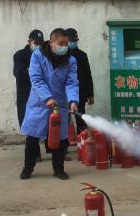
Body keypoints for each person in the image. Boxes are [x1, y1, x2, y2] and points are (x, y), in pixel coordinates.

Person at [20, 28, 79, 180]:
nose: (64, 47)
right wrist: (47, 98)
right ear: (51, 42)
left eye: (66, 44)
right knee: (32, 137)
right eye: (61, 43)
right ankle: (28, 167)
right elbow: (36, 79)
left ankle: (58, 169)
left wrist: (73, 100)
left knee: (59, 139)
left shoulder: (70, 60)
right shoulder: (38, 55)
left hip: (59, 103)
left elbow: (72, 82)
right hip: (39, 103)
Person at [13, 30, 44, 161]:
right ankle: (35, 154)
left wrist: (29, 70)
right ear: (29, 42)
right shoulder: (19, 55)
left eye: (40, 43)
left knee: (47, 122)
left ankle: (55, 151)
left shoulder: (45, 55)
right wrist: (35, 72)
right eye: (36, 42)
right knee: (31, 126)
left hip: (41, 95)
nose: (38, 45)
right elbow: (19, 74)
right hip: (25, 96)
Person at [66, 28, 94, 134]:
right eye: (70, 41)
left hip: (80, 94)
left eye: (75, 41)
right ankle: (64, 144)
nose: (73, 43)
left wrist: (90, 94)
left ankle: (82, 143)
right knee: (64, 121)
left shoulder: (82, 56)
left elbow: (88, 75)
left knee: (81, 120)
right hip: (64, 94)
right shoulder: (61, 56)